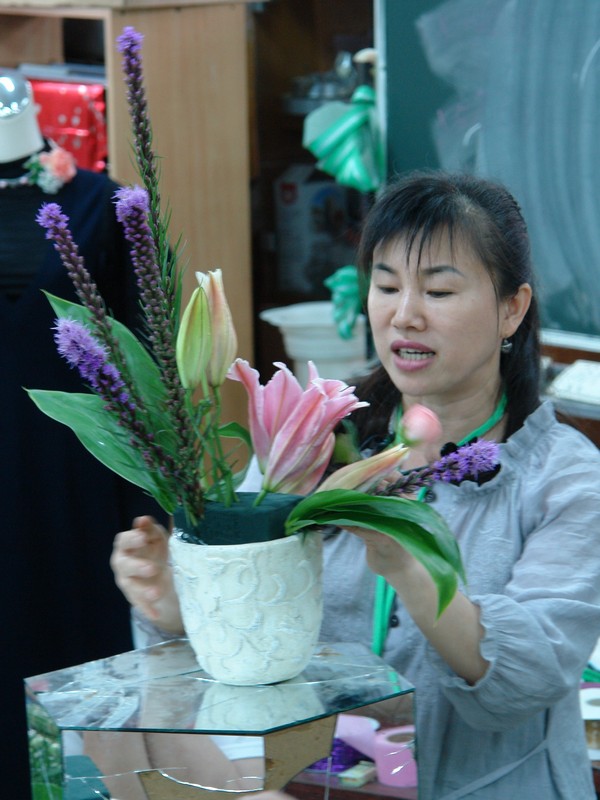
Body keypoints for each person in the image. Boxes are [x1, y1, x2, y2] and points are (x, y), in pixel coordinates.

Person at [111, 171, 600, 799]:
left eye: (439, 290)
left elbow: (526, 680)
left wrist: (409, 565)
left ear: (512, 307)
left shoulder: (566, 477)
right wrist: (181, 607)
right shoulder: (312, 434)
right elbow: (248, 635)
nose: (404, 315)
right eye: (386, 285)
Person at [0, 70, 167, 798]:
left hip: (78, 506)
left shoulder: (105, 207)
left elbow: (152, 383)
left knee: (85, 717)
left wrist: (158, 521)